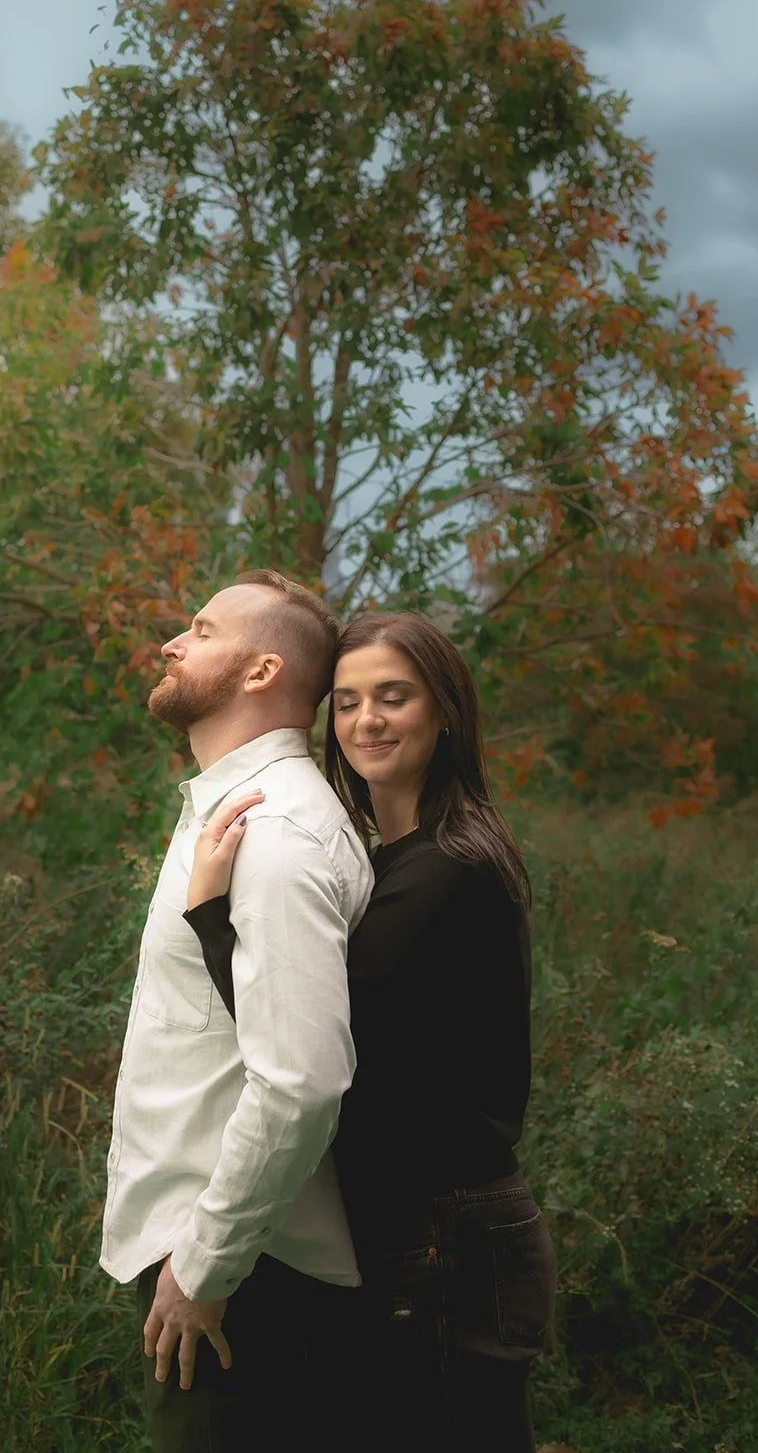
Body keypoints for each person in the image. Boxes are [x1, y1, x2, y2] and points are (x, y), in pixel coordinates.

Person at [184, 610, 556, 1452]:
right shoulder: (398, 859)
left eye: (394, 697)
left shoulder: (445, 869)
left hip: (445, 1230)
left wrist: (208, 914)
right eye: (347, 702)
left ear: (445, 711)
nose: (366, 721)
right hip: (431, 1223)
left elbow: (311, 1039)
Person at [99, 570, 373, 1453]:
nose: (173, 643)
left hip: (243, 1272)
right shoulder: (231, 811)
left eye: (203, 630)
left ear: (261, 672)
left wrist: (206, 1264)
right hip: (219, 1249)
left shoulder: (274, 835)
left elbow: (302, 1082)